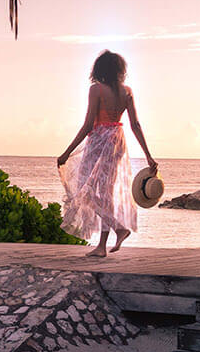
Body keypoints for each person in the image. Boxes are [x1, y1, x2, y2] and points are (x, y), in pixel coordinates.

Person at [56, 51, 158, 257]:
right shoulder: (126, 91)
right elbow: (135, 125)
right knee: (107, 193)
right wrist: (148, 155)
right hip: (118, 141)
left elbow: (87, 125)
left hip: (99, 140)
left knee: (85, 190)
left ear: (99, 69)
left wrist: (67, 152)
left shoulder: (96, 90)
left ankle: (119, 228)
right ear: (120, 70)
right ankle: (101, 247)